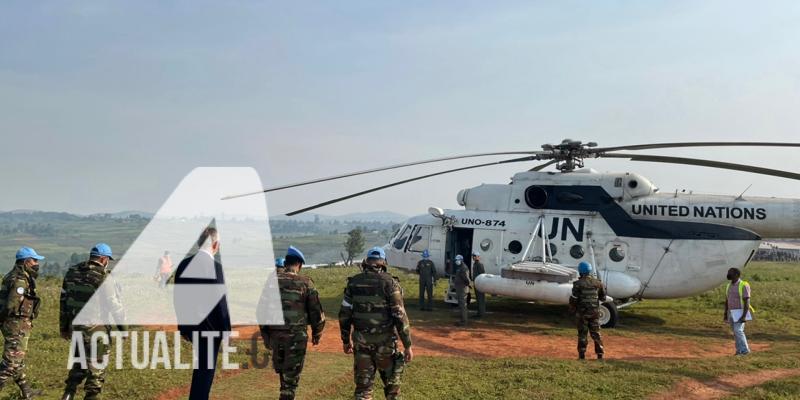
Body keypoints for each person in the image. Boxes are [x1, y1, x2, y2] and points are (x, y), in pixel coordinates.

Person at [339, 247, 413, 400]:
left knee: (363, 389)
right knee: (392, 389)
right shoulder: (390, 283)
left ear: (367, 262)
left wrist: (346, 341)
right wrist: (407, 345)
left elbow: (344, 314)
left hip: (361, 344)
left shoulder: (353, 284)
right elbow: (399, 316)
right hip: (385, 345)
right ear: (383, 263)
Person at [60, 243, 126, 400]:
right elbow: (114, 305)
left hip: (76, 327)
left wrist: (63, 327)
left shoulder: (72, 272)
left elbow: (64, 302)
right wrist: (123, 328)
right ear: (103, 259)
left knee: (78, 364)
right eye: (107, 260)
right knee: (96, 370)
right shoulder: (104, 277)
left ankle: (68, 395)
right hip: (97, 329)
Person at [259, 246, 325, 400]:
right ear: (299, 265)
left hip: (276, 337)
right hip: (296, 338)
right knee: (290, 381)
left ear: (286, 262)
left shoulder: (271, 282)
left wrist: (266, 335)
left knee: (283, 374)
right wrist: (317, 333)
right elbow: (316, 313)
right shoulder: (306, 283)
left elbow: (261, 311)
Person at [173, 227, 231, 400]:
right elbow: (220, 302)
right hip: (211, 329)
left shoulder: (183, 265)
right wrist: (226, 329)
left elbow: (178, 299)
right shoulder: (215, 266)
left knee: (201, 368)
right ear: (216, 244)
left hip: (191, 327)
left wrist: (183, 327)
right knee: (205, 371)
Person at [0, 247, 44, 399]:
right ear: (26, 262)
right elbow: (11, 304)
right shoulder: (20, 279)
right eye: (34, 260)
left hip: (14, 323)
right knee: (11, 362)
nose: (37, 263)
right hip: (16, 324)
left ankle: (27, 391)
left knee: (17, 360)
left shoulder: (15, 275)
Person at [569, 261, 605, 360]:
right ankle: (600, 355)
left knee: (582, 334)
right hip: (595, 313)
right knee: (596, 334)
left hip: (582, 314)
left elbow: (574, 299)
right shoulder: (598, 283)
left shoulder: (577, 284)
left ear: (580, 271)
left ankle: (582, 356)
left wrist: (572, 310)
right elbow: (603, 298)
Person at [723, 267, 753, 356]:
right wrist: (725, 313)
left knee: (738, 331)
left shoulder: (743, 285)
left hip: (740, 313)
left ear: (736, 275)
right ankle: (739, 351)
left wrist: (743, 316)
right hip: (731, 313)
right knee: (735, 332)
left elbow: (747, 301)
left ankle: (745, 350)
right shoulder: (729, 285)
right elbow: (727, 300)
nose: (728, 274)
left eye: (730, 272)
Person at [453, 255, 470, 327]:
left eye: (457, 260)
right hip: (460, 289)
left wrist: (465, 285)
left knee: (463, 306)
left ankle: (464, 322)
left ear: (461, 260)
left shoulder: (463, 268)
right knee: (461, 305)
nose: (456, 261)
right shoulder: (460, 267)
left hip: (462, 289)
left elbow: (467, 280)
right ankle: (462, 320)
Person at [471, 251, 486, 318]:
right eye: (473, 256)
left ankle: (481, 314)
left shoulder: (479, 264)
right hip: (476, 283)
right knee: (478, 298)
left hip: (480, 284)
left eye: (475, 256)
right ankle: (479, 313)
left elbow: (482, 275)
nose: (474, 257)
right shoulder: (475, 264)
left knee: (480, 299)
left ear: (478, 257)